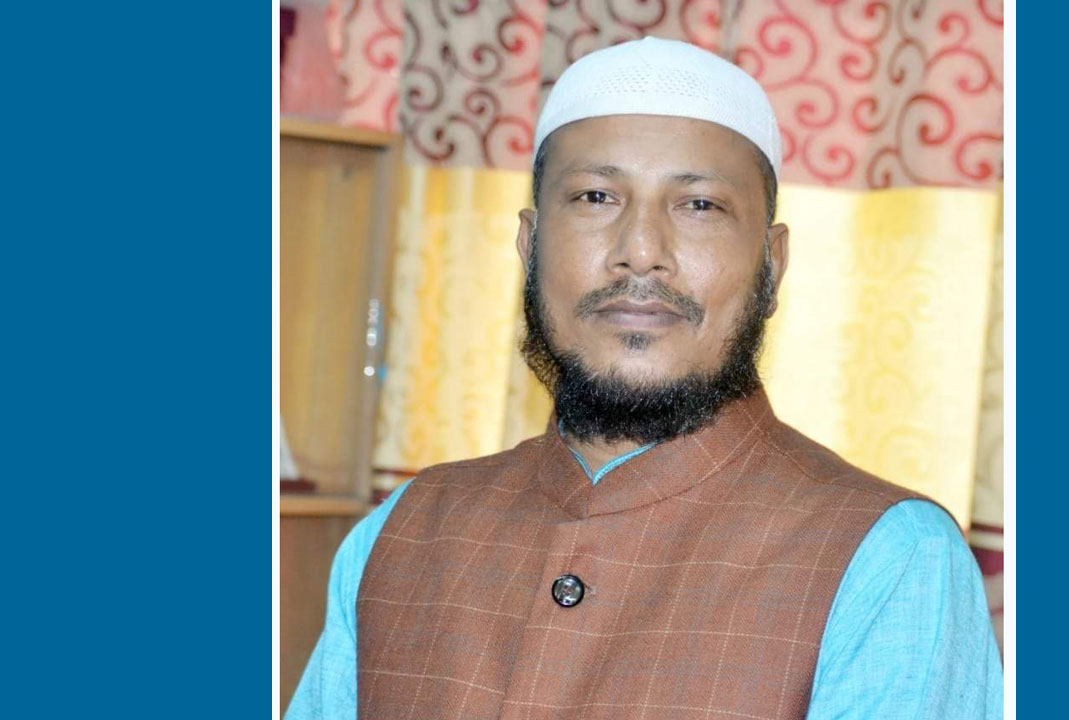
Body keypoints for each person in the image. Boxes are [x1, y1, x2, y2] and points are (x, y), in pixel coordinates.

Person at [286, 36, 1002, 720]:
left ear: (772, 266)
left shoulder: (888, 560)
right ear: (529, 247)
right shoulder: (403, 531)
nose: (640, 251)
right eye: (596, 197)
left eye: (699, 205)